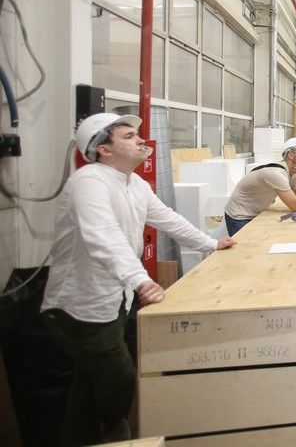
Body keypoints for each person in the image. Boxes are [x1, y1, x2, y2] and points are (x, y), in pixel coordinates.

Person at [41, 113, 236, 446]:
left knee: (90, 380)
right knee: (118, 375)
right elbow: (102, 235)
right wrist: (140, 280)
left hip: (115, 299)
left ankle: (81, 436)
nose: (140, 140)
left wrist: (210, 243)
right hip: (80, 305)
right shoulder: (90, 181)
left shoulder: (136, 184)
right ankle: (113, 429)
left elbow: (169, 220)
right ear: (104, 149)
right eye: (129, 136)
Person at [224, 137, 296, 235]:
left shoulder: (293, 172)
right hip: (239, 216)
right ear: (290, 155)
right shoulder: (276, 174)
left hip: (255, 213)